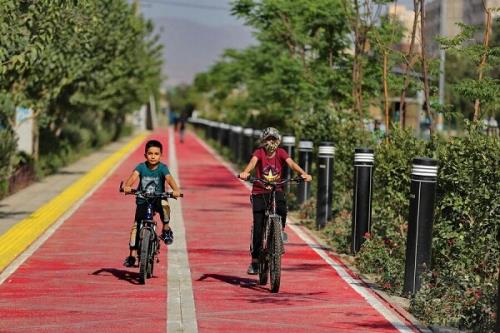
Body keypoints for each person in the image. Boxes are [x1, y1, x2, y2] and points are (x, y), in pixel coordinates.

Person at [239, 127, 312, 275]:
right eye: (268, 139)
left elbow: (291, 164)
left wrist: (303, 174)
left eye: (273, 139)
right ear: (263, 141)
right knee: (258, 226)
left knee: (282, 209)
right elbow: (253, 163)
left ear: (278, 141)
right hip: (260, 192)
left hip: (276, 189)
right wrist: (246, 172)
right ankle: (255, 261)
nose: (270, 142)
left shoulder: (281, 153)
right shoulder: (259, 152)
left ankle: (279, 233)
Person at [122, 139, 182, 267]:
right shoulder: (141, 167)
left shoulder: (162, 168)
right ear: (145, 155)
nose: (153, 156)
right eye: (150, 153)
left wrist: (175, 190)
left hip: (158, 198)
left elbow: (169, 179)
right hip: (143, 200)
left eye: (156, 154)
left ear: (161, 155)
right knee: (136, 227)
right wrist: (127, 186)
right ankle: (132, 256)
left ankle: (166, 228)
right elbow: (133, 176)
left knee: (165, 207)